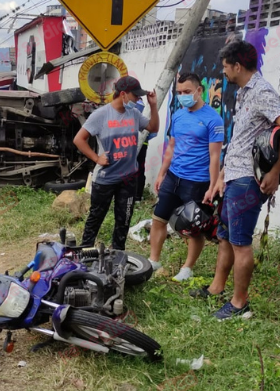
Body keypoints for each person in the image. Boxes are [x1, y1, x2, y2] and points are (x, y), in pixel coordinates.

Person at [191, 40, 280, 320]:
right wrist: (221, 179)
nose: (224, 73)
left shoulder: (261, 91)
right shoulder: (243, 93)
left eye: (226, 67)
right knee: (226, 237)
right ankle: (217, 288)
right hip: (234, 177)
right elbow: (241, 141)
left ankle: (240, 303)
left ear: (238, 66)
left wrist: (275, 171)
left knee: (240, 243)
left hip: (248, 182)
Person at [148, 72, 224, 281]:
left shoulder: (213, 119)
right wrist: (161, 174)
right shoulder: (178, 115)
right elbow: (171, 147)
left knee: (193, 227)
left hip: (197, 182)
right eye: (180, 92)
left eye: (187, 92)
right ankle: (154, 261)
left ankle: (187, 269)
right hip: (173, 177)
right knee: (158, 219)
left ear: (199, 91)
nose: (183, 96)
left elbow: (215, 156)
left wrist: (212, 186)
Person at [74, 76, 159, 251]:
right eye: (135, 95)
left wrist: (153, 106)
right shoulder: (100, 115)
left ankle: (117, 252)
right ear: (123, 94)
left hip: (128, 178)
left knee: (124, 218)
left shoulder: (134, 114)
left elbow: (153, 128)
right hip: (105, 178)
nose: (137, 99)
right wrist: (97, 158)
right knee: (96, 217)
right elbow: (79, 139)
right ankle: (86, 251)